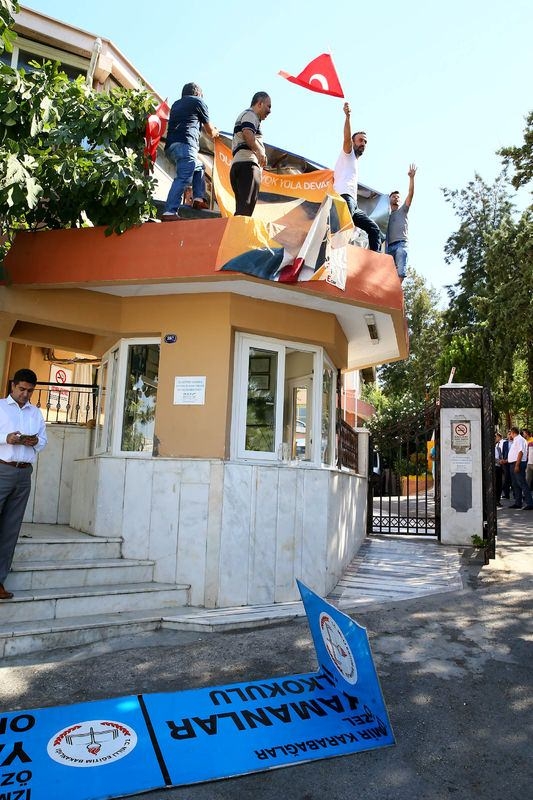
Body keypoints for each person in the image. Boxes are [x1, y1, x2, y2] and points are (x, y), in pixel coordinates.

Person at [0, 369, 47, 599]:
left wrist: (35, 441)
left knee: (10, 530)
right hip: (2, 469)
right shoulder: (0, 407)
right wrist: (6, 438)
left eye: (30, 391)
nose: (25, 394)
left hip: (24, 474)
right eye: (22, 389)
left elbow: (43, 441)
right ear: (13, 385)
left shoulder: (36, 413)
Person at [162, 82, 218, 220]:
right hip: (186, 145)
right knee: (183, 177)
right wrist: (216, 132)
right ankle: (169, 211)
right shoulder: (198, 102)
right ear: (198, 94)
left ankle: (198, 198)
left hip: (171, 148)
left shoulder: (176, 104)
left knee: (199, 167)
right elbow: (209, 131)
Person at [333, 102, 382, 252]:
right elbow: (346, 138)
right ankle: (333, 254)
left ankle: (373, 260)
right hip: (344, 198)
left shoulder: (355, 161)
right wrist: (348, 117)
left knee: (374, 230)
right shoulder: (348, 154)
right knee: (343, 228)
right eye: (360, 140)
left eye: (365, 142)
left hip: (354, 204)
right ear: (353, 142)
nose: (363, 143)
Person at [230, 92, 272, 217]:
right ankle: (238, 229)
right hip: (247, 165)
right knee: (245, 210)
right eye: (268, 106)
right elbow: (247, 132)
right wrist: (259, 152)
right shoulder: (250, 114)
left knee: (243, 209)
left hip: (240, 164)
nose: (270, 111)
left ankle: (237, 228)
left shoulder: (248, 116)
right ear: (260, 104)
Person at [386, 164, 417, 281]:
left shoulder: (403, 210)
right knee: (386, 273)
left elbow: (411, 194)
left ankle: (397, 290)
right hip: (388, 247)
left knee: (400, 272)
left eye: (398, 197)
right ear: (389, 199)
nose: (396, 198)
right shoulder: (386, 216)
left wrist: (411, 178)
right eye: (393, 196)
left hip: (401, 244)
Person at [507, 426, 533, 510]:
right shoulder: (516, 440)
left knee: (522, 483)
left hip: (518, 463)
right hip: (514, 463)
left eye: (510, 433)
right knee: (515, 484)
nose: (509, 435)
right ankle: (518, 503)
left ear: (513, 432)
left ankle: (530, 503)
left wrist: (517, 465)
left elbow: (520, 452)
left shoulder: (519, 440)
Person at [494, 432, 503, 506]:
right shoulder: (488, 448)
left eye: (496, 437)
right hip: (493, 469)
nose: (496, 439)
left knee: (499, 485)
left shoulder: (498, 448)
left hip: (499, 468)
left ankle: (498, 500)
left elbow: (500, 457)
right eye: (495, 437)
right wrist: (498, 461)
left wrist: (502, 461)